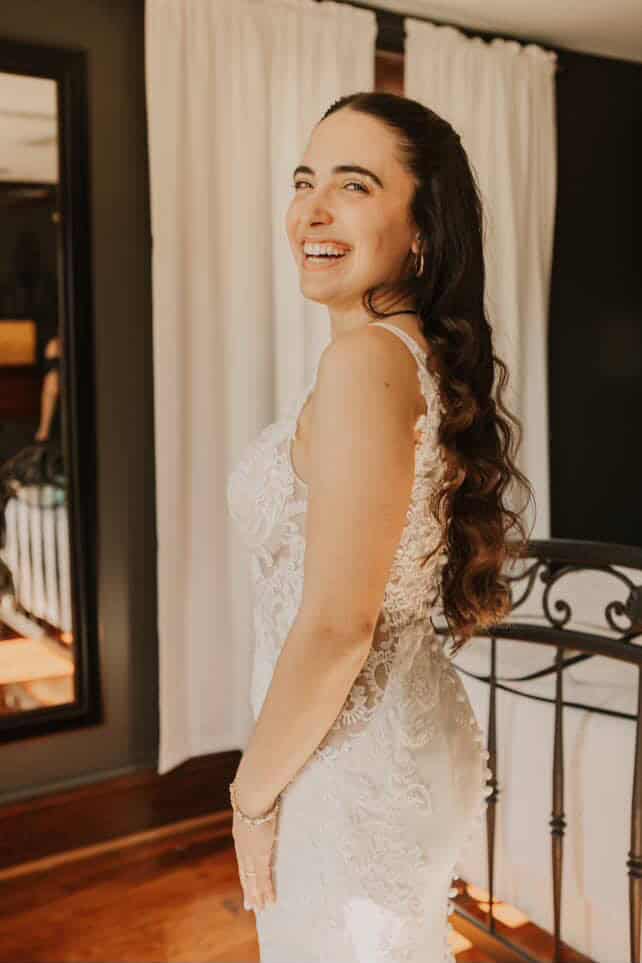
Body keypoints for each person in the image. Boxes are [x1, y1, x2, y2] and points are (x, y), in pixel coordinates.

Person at [226, 91, 534, 962]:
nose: (311, 211)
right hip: (384, 737)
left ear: (421, 232)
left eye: (353, 185)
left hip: (344, 763)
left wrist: (249, 796)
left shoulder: (366, 360)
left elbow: (334, 627)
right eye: (303, 180)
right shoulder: (401, 355)